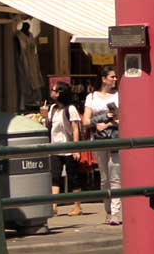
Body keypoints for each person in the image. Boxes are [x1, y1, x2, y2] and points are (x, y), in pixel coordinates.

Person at [82, 69, 122, 226]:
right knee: (105, 177)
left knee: (116, 175)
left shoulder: (119, 95)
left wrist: (109, 122)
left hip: (116, 137)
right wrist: (100, 120)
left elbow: (125, 117)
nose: (115, 79)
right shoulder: (91, 97)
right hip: (99, 139)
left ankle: (116, 213)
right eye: (112, 76)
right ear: (104, 79)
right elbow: (85, 121)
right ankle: (108, 211)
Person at [40, 83, 82, 216]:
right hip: (55, 147)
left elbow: (75, 129)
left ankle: (77, 206)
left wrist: (76, 148)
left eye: (54, 90)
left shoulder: (71, 109)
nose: (51, 92)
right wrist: (45, 117)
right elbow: (51, 126)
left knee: (73, 176)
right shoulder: (52, 108)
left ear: (60, 93)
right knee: (55, 176)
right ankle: (54, 205)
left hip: (68, 147)